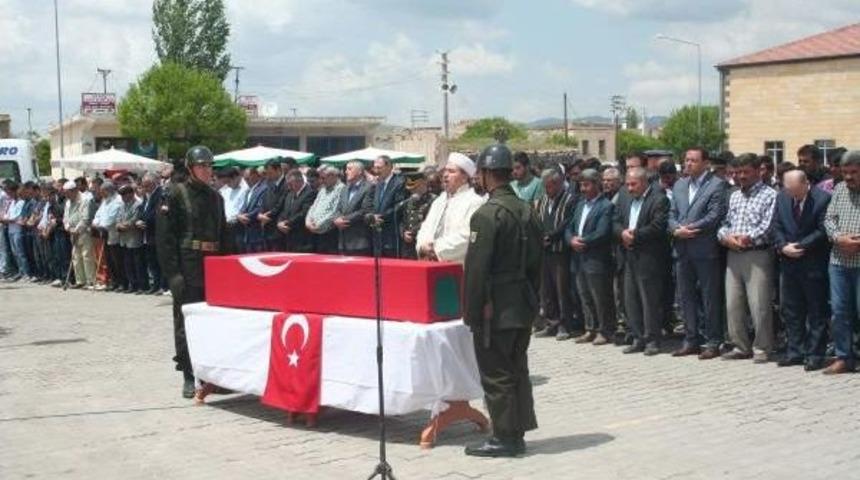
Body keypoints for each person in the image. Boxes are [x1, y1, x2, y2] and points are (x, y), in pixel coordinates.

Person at [463, 143, 542, 458]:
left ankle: (505, 438)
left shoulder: (486, 215)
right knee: (517, 368)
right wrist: (532, 300)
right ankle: (516, 431)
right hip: (522, 302)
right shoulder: (527, 210)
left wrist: (471, 312)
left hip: (494, 307)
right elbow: (537, 265)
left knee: (496, 373)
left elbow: (476, 271)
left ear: (486, 173)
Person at [156, 146, 233, 398]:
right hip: (187, 265)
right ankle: (189, 375)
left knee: (212, 321)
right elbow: (165, 239)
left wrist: (230, 270)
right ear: (190, 168)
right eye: (202, 166)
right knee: (186, 321)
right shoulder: (175, 194)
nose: (207, 170)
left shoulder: (216, 198)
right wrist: (173, 275)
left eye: (210, 166)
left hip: (213, 266)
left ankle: (211, 377)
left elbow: (225, 237)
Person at [718, 153, 778, 363]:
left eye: (746, 172)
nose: (741, 176)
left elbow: (768, 227)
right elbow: (726, 223)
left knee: (759, 304)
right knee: (733, 304)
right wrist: (725, 237)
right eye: (738, 172)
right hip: (733, 254)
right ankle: (740, 346)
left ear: (758, 171)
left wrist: (746, 238)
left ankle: (762, 347)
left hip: (757, 254)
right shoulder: (734, 195)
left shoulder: (770, 195)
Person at [669, 148, 729, 359]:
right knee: (685, 297)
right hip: (682, 249)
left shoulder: (717, 185)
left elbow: (715, 215)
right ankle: (691, 339)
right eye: (686, 160)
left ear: (706, 163)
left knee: (709, 297)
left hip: (705, 249)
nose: (688, 164)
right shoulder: (679, 184)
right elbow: (671, 213)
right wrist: (676, 229)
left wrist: (690, 228)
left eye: (693, 160)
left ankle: (712, 341)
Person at [773, 170, 831, 371]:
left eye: (796, 192)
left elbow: (822, 230)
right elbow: (776, 225)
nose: (793, 196)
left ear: (806, 184)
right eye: (789, 191)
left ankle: (815, 354)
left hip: (812, 263)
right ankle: (795, 351)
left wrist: (799, 246)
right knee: (791, 310)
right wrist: (782, 246)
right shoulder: (782, 197)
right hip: (788, 263)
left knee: (816, 311)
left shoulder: (822, 199)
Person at [613, 167, 671, 356]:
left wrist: (635, 235)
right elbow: (615, 220)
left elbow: (658, 226)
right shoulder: (624, 197)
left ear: (644, 182)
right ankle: (638, 338)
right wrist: (622, 233)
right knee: (631, 299)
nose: (629, 188)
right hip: (628, 256)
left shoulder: (659, 199)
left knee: (649, 301)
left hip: (648, 258)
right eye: (627, 184)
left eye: (633, 184)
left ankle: (652, 340)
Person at [566, 168, 616, 345]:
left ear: (596, 185)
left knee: (600, 297)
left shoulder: (606, 206)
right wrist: (571, 240)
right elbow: (569, 226)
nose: (583, 189)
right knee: (584, 295)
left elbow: (602, 232)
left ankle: (605, 330)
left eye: (586, 185)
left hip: (596, 259)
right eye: (581, 185)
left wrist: (583, 241)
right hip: (579, 259)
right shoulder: (580, 205)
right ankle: (590, 328)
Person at [822, 150, 860, 374]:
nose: (848, 177)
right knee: (839, 311)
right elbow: (829, 219)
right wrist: (839, 238)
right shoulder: (839, 190)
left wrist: (856, 242)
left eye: (853, 172)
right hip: (839, 262)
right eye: (845, 172)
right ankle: (844, 357)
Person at [416, 152, 486, 264]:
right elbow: (426, 227)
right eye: (445, 171)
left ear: (464, 177)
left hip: (457, 266)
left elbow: (467, 237)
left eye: (451, 171)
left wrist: (435, 249)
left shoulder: (474, 202)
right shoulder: (439, 201)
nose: (445, 175)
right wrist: (422, 246)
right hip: (430, 263)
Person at [535, 168, 577, 340]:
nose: (547, 190)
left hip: (560, 251)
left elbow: (567, 223)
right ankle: (551, 323)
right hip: (544, 251)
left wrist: (551, 236)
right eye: (545, 186)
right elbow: (538, 219)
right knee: (546, 290)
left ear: (559, 183)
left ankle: (564, 325)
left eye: (550, 186)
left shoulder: (570, 199)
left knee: (562, 290)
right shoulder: (543, 199)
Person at [333, 161, 374, 256]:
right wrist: (336, 219)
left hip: (359, 242)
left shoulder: (369, 187)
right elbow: (338, 208)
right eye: (346, 169)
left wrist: (343, 220)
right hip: (343, 241)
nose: (346, 172)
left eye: (349, 169)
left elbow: (365, 210)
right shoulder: (344, 188)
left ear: (359, 172)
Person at [370, 155, 407, 257]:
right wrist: (372, 216)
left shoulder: (399, 182)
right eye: (375, 168)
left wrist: (380, 217)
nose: (376, 171)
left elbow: (399, 206)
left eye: (379, 168)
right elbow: (373, 204)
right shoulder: (378, 184)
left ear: (389, 167)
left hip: (392, 235)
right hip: (378, 236)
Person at [62, 180, 96, 289]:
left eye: (68, 193)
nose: (66, 196)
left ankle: (90, 281)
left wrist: (77, 230)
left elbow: (86, 218)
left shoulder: (85, 200)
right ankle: (80, 280)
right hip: (72, 231)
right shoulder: (68, 202)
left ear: (74, 190)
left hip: (84, 231)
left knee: (87, 256)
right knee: (76, 257)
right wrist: (68, 228)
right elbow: (65, 218)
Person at [275, 169, 317, 252]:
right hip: (289, 238)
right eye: (288, 184)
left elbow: (304, 213)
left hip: (303, 239)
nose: (289, 187)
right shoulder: (290, 194)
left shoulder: (310, 193)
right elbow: (284, 211)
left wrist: (287, 223)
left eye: (290, 184)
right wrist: (279, 223)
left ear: (299, 181)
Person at [306, 165, 345, 254]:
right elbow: (313, 207)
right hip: (316, 231)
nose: (321, 181)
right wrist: (308, 222)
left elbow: (335, 211)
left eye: (323, 178)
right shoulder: (323, 189)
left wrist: (318, 225)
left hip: (330, 233)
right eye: (320, 178)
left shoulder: (341, 189)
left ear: (332, 176)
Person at [399, 172, 437, 259]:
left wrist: (414, 232)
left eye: (415, 188)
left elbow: (430, 222)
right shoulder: (408, 202)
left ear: (423, 184)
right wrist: (403, 233)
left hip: (423, 244)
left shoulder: (433, 200)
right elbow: (402, 220)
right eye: (411, 189)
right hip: (408, 247)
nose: (412, 191)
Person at [117, 185, 146, 294]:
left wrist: (124, 225)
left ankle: (141, 285)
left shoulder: (137, 204)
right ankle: (132, 284)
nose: (122, 197)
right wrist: (118, 225)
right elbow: (118, 218)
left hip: (134, 238)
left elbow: (135, 219)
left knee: (138, 263)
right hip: (124, 239)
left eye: (124, 195)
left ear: (130, 194)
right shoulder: (122, 205)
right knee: (128, 263)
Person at [138, 174, 165, 294]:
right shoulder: (147, 196)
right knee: (151, 261)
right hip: (146, 234)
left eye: (147, 185)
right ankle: (155, 285)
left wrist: (144, 221)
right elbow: (141, 210)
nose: (145, 188)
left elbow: (156, 213)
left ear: (153, 183)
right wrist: (138, 220)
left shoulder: (159, 194)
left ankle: (161, 286)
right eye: (144, 185)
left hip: (155, 233)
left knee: (159, 261)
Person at [2, 181, 32, 281]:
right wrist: (6, 219)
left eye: (10, 192)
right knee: (15, 252)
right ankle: (21, 271)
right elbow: (8, 215)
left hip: (18, 230)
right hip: (11, 230)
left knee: (21, 253)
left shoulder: (21, 203)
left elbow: (16, 217)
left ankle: (26, 273)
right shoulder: (11, 202)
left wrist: (6, 219)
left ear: (15, 191)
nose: (8, 194)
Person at [257, 159, 287, 251]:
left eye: (270, 173)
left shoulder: (286, 184)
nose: (268, 176)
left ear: (279, 170)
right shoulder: (269, 183)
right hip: (266, 228)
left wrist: (267, 215)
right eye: (267, 173)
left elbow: (281, 204)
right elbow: (264, 201)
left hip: (277, 229)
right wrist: (260, 214)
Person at [237, 166, 268, 253]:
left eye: (248, 178)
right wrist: (239, 215)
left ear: (255, 175)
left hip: (258, 233)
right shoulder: (248, 191)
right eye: (245, 179)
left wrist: (246, 216)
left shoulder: (263, 188)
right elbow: (244, 207)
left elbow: (260, 207)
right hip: (248, 234)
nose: (246, 181)